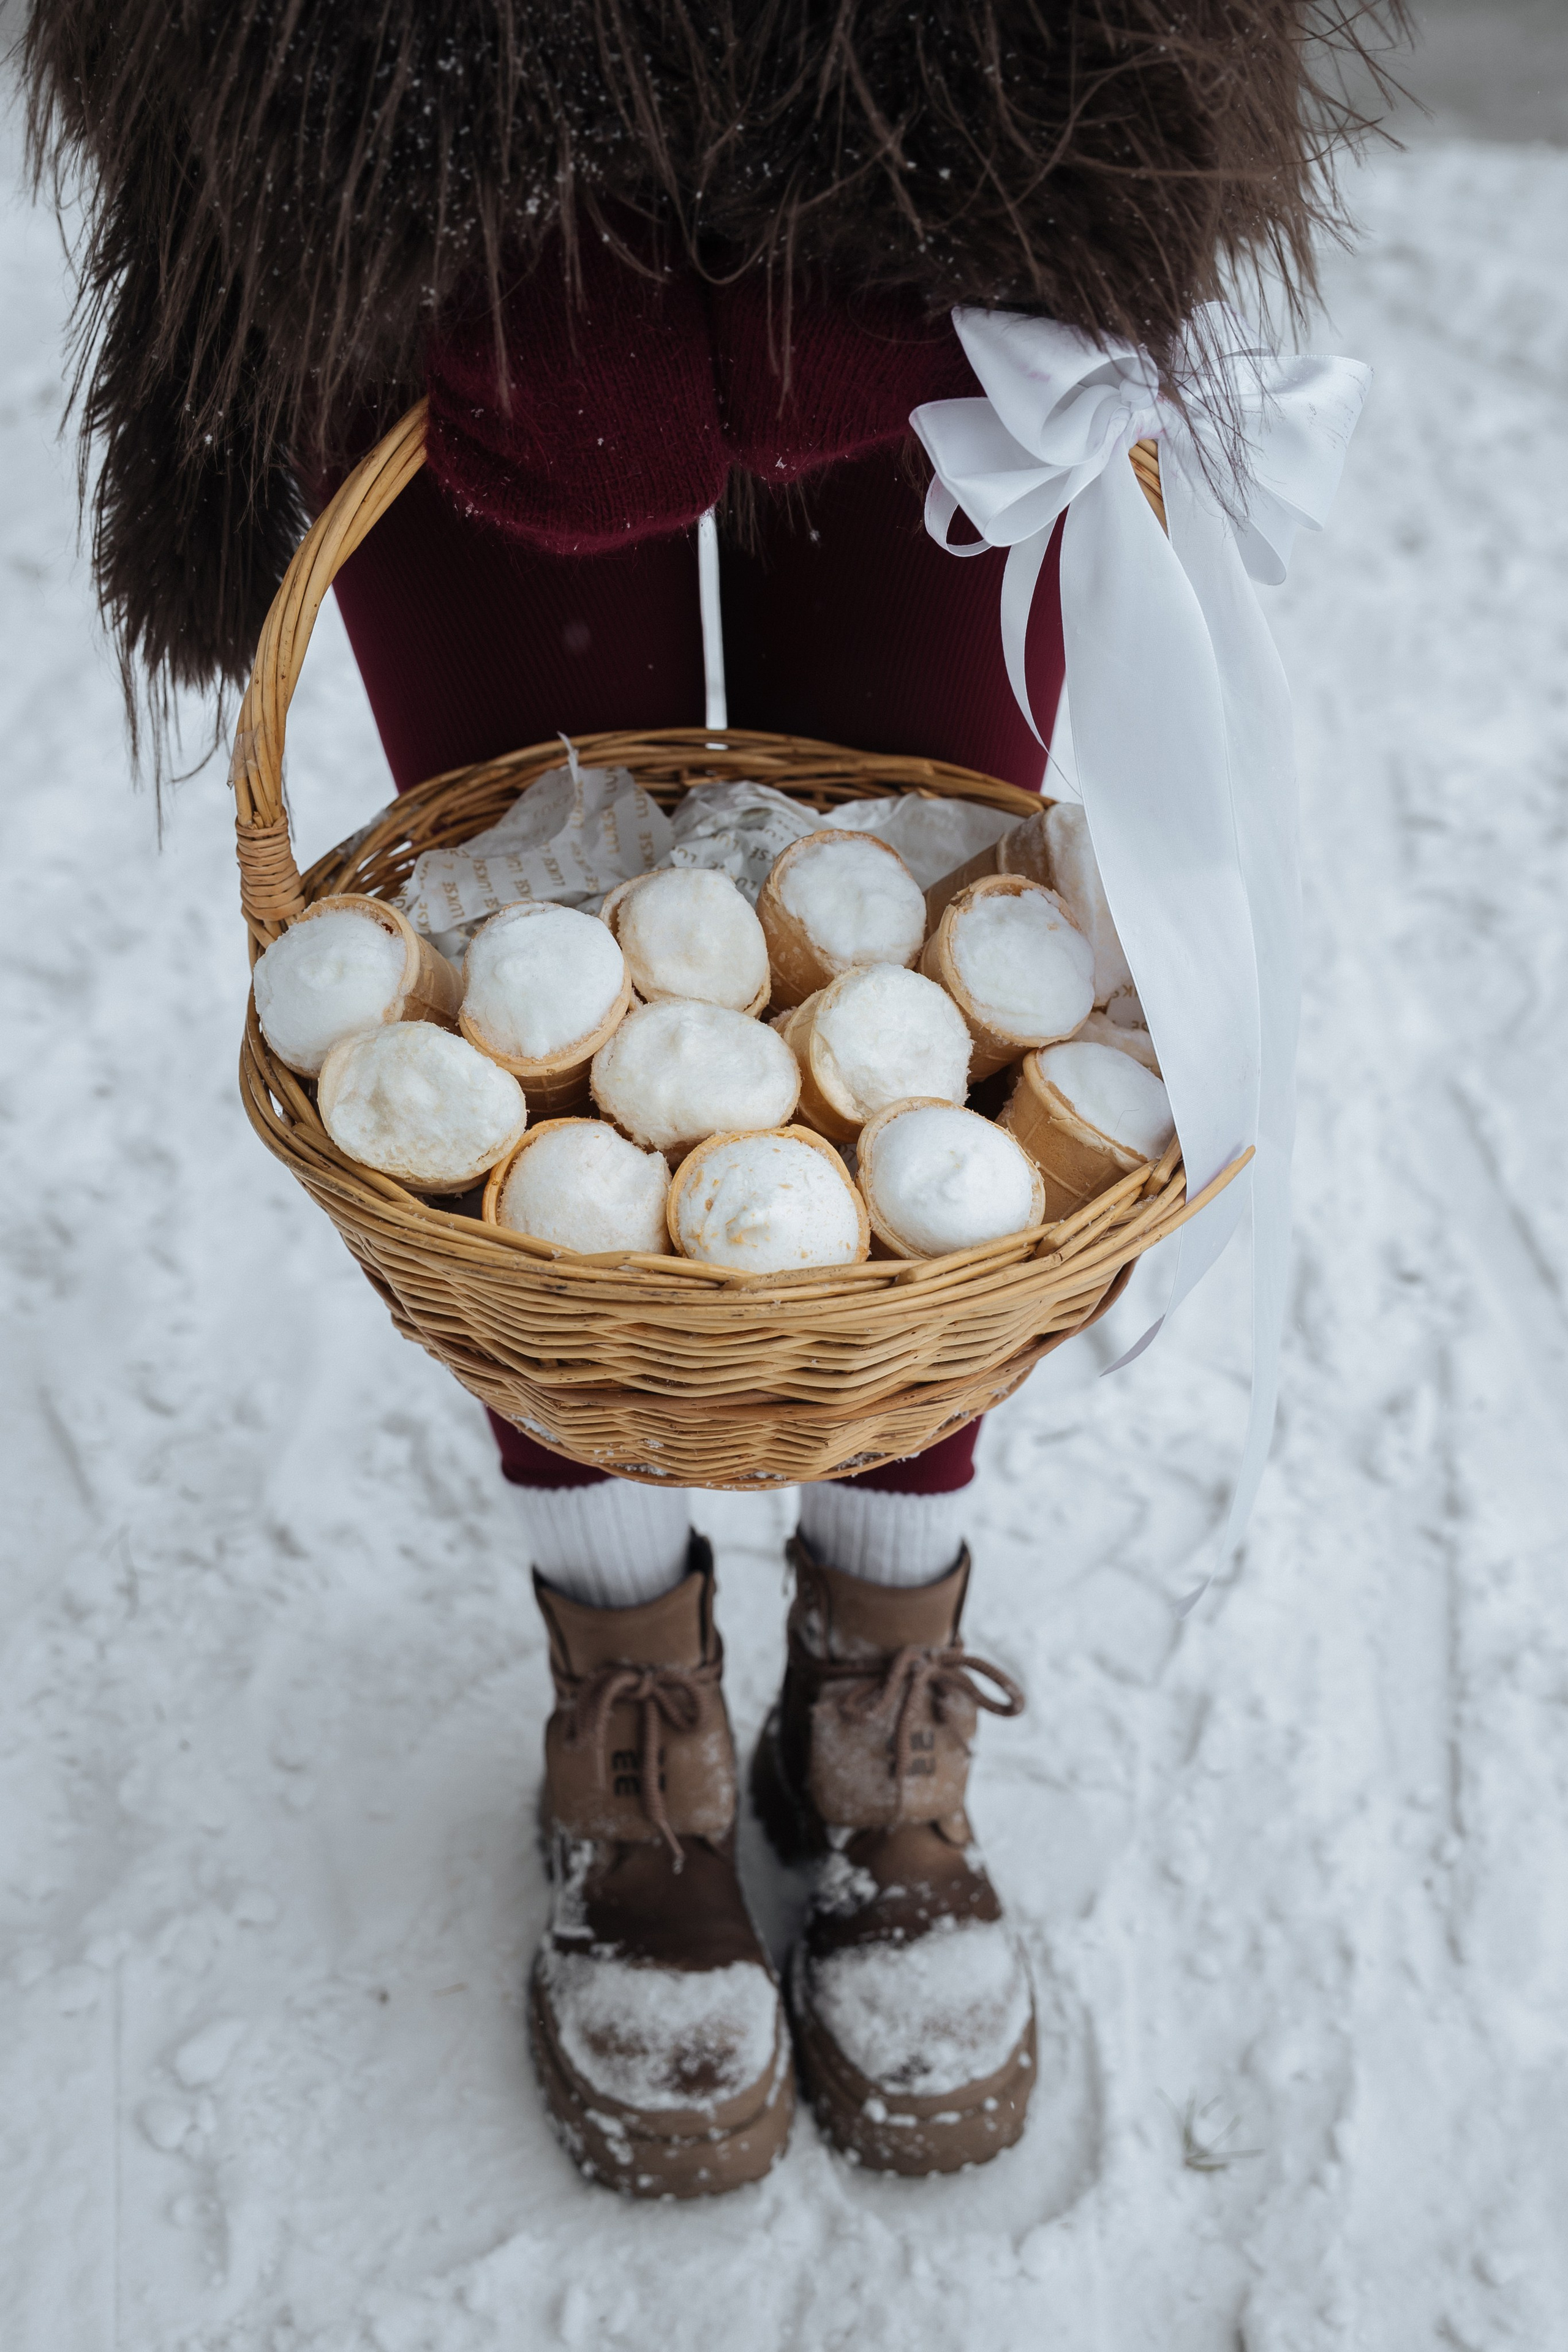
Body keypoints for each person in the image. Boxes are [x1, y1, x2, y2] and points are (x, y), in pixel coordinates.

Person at [25, 0, 1402, 2195]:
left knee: (937, 975)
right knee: (514, 959)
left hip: (971, 99)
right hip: (419, 101)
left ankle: (878, 1665)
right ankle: (626, 1682)